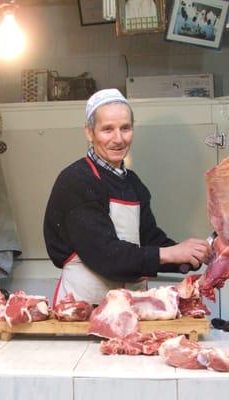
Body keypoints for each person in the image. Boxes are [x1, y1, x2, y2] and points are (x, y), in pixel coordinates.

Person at [43, 89, 211, 306]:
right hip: (82, 310)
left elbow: (150, 240)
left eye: (125, 128)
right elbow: (106, 255)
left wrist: (190, 257)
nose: (118, 139)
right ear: (89, 132)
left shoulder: (132, 183)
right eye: (107, 130)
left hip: (130, 308)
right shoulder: (77, 180)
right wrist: (172, 253)